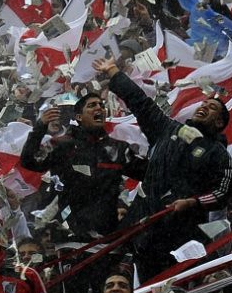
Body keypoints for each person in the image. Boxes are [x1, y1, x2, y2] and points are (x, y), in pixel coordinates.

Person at [95, 56, 232, 281]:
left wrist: (193, 202)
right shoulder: (167, 129)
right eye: (203, 104)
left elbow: (223, 192)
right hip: (142, 228)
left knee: (172, 288)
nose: (203, 108)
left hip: (180, 234)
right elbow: (141, 103)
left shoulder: (219, 155)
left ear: (219, 123)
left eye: (211, 108)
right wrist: (113, 71)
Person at [19, 90, 144, 237]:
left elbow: (148, 173)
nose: (99, 108)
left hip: (108, 235)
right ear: (79, 117)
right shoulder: (62, 145)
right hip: (69, 234)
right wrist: (39, 127)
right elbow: (30, 162)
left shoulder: (119, 149)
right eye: (91, 105)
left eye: (101, 105)